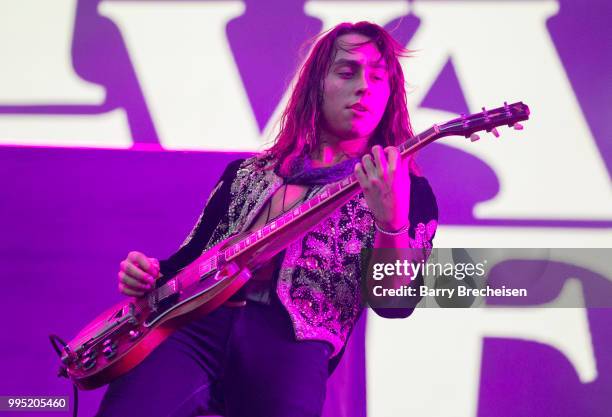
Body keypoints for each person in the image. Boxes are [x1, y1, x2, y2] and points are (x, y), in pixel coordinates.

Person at [96, 21, 438, 417]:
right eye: (347, 72)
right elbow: (187, 261)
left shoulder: (409, 191)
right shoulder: (245, 173)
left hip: (293, 344)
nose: (364, 86)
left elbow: (395, 304)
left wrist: (390, 220)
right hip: (194, 330)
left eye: (378, 78)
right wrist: (147, 272)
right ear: (316, 84)